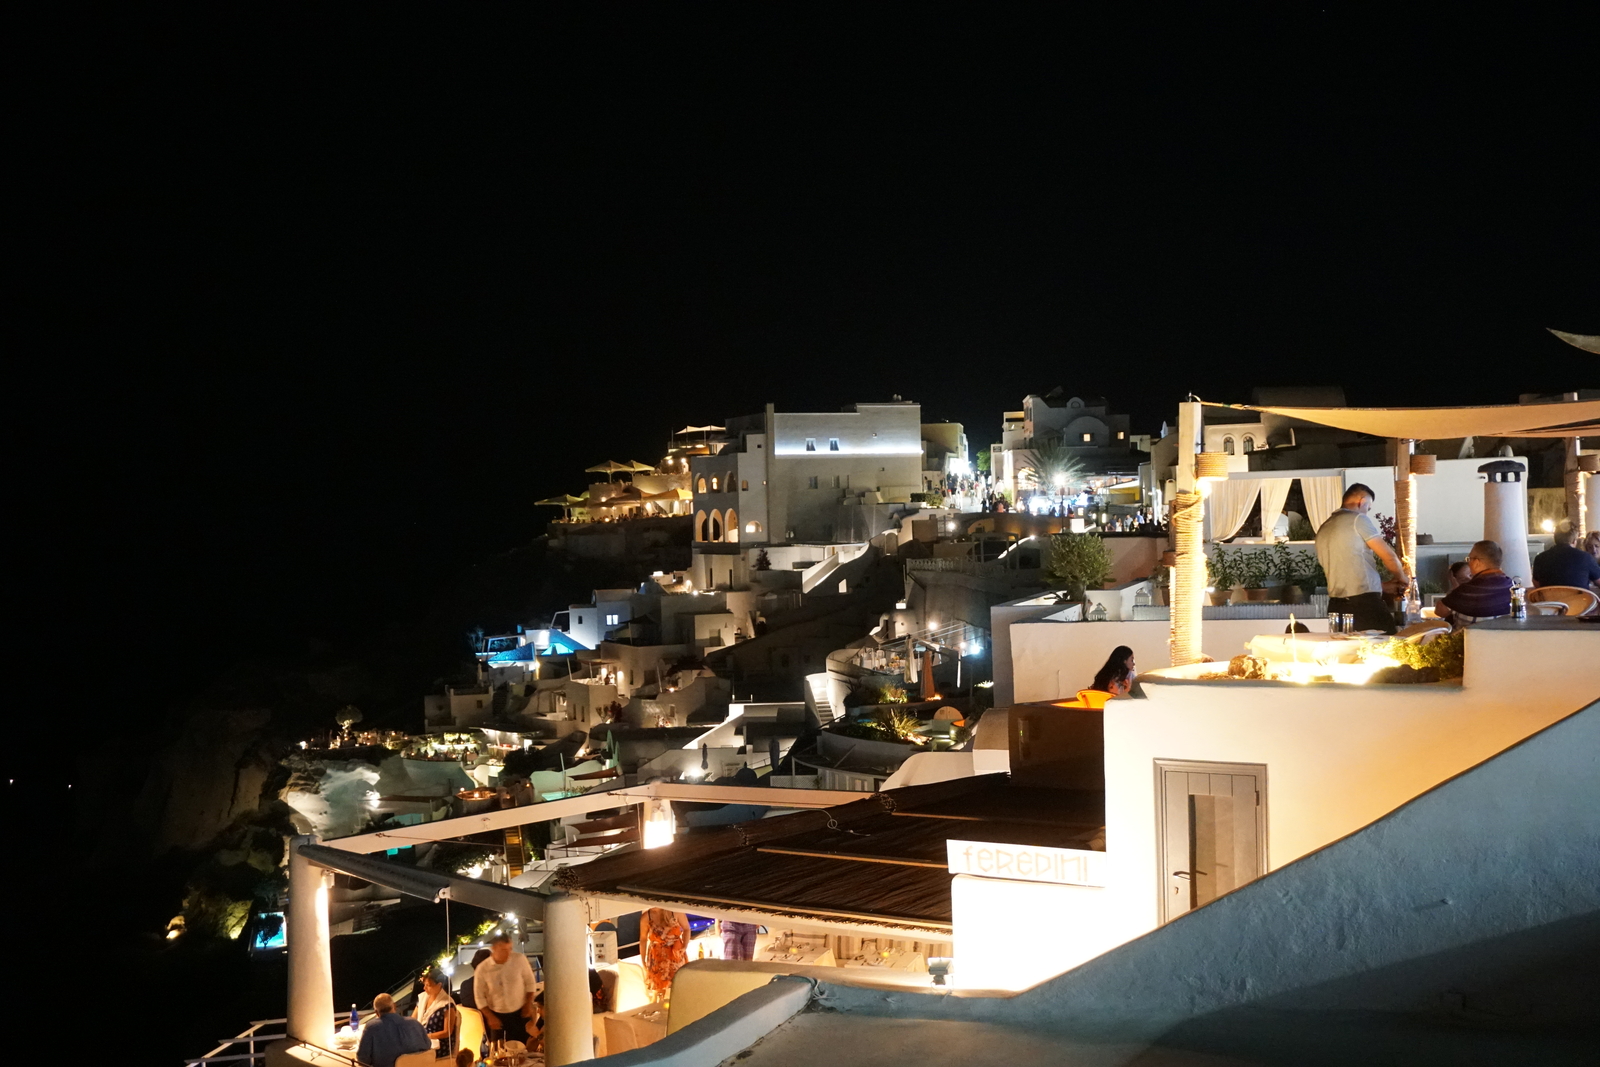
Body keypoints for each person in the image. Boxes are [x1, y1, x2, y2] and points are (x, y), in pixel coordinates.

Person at [1314, 483, 1410, 634]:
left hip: (1336, 606)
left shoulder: (1324, 527)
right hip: (1364, 605)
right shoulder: (1358, 519)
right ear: (1362, 501)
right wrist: (1402, 577)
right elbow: (1389, 557)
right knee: (1389, 645)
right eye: (1368, 508)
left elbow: (1347, 573)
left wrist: (1382, 586)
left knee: (1349, 652)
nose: (1367, 512)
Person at [474, 933, 538, 1048]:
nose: (508, 953)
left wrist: (528, 1004)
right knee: (499, 1052)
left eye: (510, 949)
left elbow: (530, 983)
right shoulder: (482, 969)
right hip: (497, 1016)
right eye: (504, 949)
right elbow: (479, 997)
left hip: (520, 1013)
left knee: (524, 1048)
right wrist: (490, 1016)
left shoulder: (519, 960)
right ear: (494, 948)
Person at [1434, 540, 1514, 627]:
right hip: (1503, 638)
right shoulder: (1511, 586)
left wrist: (1455, 590)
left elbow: (1440, 612)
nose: (1469, 563)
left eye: (1469, 559)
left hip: (1469, 639)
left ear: (1477, 562)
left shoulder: (1466, 591)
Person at [356, 993, 431, 1067]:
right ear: (394, 1006)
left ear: (376, 1012)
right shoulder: (415, 1023)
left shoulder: (371, 1027)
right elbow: (428, 1046)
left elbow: (362, 1060)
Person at [1532, 525, 1600, 590]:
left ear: (1555, 539)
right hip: (1579, 601)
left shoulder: (1540, 558)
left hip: (1549, 601)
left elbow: (1537, 585)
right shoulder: (1585, 558)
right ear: (1574, 541)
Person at [413, 969, 457, 1059]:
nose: (424, 988)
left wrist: (426, 1036)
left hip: (439, 1043)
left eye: (428, 985)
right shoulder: (423, 998)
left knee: (412, 1053)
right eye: (424, 985)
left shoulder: (447, 1004)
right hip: (424, 1039)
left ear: (439, 985)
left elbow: (447, 1032)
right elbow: (413, 1019)